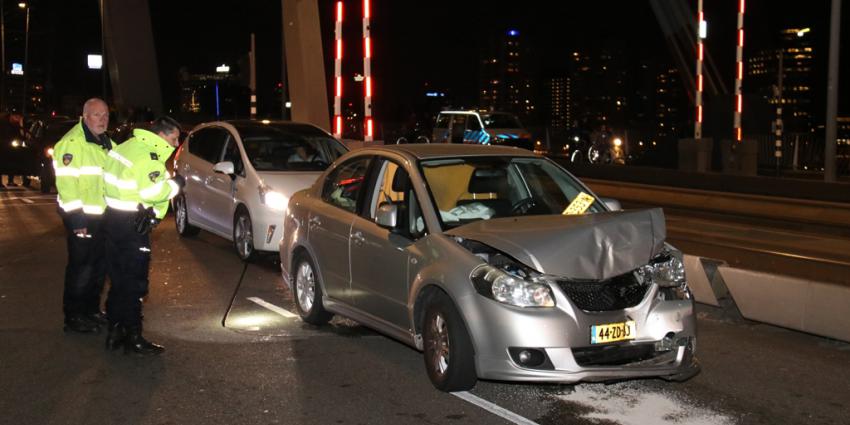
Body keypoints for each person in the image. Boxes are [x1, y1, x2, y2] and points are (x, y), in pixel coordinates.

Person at [102, 116, 181, 355]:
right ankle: (134, 337)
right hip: (133, 225)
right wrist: (177, 184)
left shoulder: (126, 146)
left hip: (114, 219)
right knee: (135, 283)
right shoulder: (149, 156)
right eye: (174, 138)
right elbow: (154, 191)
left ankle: (115, 332)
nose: (177, 144)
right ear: (161, 135)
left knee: (118, 279)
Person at [52, 98, 115, 333]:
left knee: (99, 267)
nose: (103, 119)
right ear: (85, 116)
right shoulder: (72, 144)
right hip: (82, 218)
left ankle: (91, 311)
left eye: (106, 115)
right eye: (97, 115)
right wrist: (77, 219)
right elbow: (67, 186)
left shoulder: (106, 142)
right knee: (82, 268)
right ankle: (74, 316)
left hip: (101, 217)